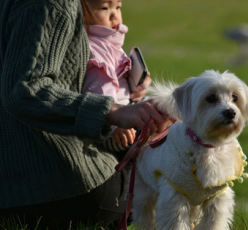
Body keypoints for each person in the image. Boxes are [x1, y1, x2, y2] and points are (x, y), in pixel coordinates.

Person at [0, 0, 169, 228]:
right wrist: (113, 111)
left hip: (20, 183)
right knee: (173, 161)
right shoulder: (53, 4)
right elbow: (24, 90)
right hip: (50, 186)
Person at [81, 0, 145, 151]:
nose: (114, 16)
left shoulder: (108, 41)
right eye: (104, 8)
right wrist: (115, 125)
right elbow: (100, 87)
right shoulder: (97, 48)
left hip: (126, 110)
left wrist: (137, 84)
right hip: (118, 129)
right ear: (83, 11)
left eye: (118, 7)